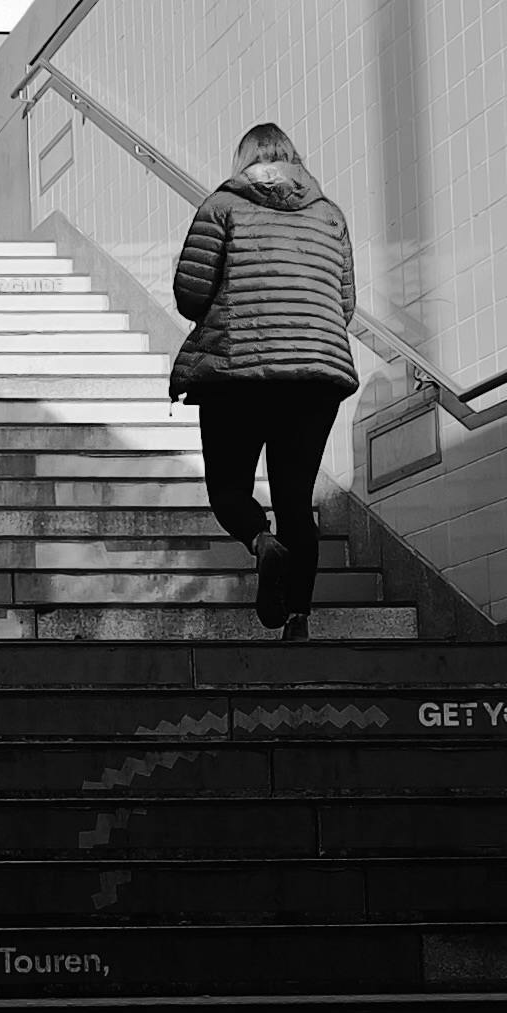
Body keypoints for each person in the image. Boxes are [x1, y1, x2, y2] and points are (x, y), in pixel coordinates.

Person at [169, 120, 358, 641]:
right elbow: (343, 305)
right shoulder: (331, 216)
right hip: (315, 376)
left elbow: (190, 295)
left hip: (238, 373)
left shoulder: (222, 207)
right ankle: (297, 618)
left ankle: (260, 541)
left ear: (244, 160)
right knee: (296, 499)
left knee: (229, 489)